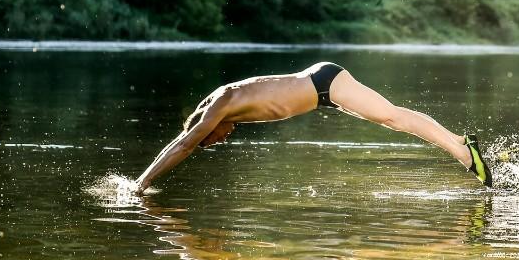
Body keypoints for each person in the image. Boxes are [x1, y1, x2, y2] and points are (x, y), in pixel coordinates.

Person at [133, 62, 492, 193]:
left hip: (324, 82)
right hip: (324, 92)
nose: (221, 140)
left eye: (213, 141)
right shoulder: (218, 107)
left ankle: (464, 154)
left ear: (207, 128)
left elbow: (182, 144)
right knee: (394, 118)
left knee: (392, 117)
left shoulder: (220, 105)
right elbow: (185, 138)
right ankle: (462, 143)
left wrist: (142, 182)